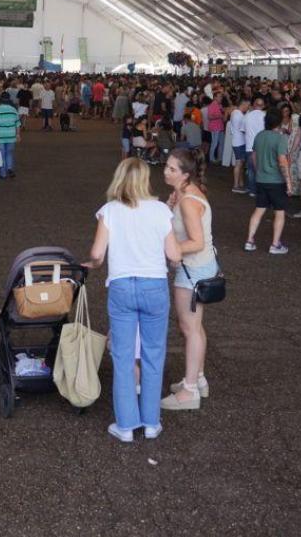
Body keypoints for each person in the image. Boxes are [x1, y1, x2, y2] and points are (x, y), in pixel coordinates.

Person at [84, 157, 180, 442]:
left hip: (122, 286)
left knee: (123, 357)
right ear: (145, 180)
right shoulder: (161, 210)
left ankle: (125, 425)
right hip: (154, 285)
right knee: (153, 353)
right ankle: (151, 422)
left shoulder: (110, 210)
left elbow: (98, 253)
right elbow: (174, 256)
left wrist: (93, 265)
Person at [162, 148, 214, 412]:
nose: (166, 171)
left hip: (193, 269)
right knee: (194, 326)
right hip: (198, 268)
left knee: (189, 328)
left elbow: (197, 241)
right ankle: (198, 379)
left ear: (185, 174)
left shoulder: (188, 200)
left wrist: (174, 251)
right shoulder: (183, 194)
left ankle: (190, 391)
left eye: (172, 169)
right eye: (167, 166)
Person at [244, 109, 292, 254]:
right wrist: (289, 182)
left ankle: (249, 241)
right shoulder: (280, 138)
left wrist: (259, 170)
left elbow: (254, 155)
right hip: (276, 181)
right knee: (279, 212)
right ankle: (275, 244)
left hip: (261, 179)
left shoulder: (259, 136)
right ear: (279, 122)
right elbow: (283, 161)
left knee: (259, 210)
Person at [0, 92, 20, 180]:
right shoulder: (14, 110)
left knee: (2, 154)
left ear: (1, 100)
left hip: (0, 135)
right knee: (9, 153)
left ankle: (3, 174)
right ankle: (9, 168)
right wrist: (18, 134)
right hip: (11, 135)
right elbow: (17, 124)